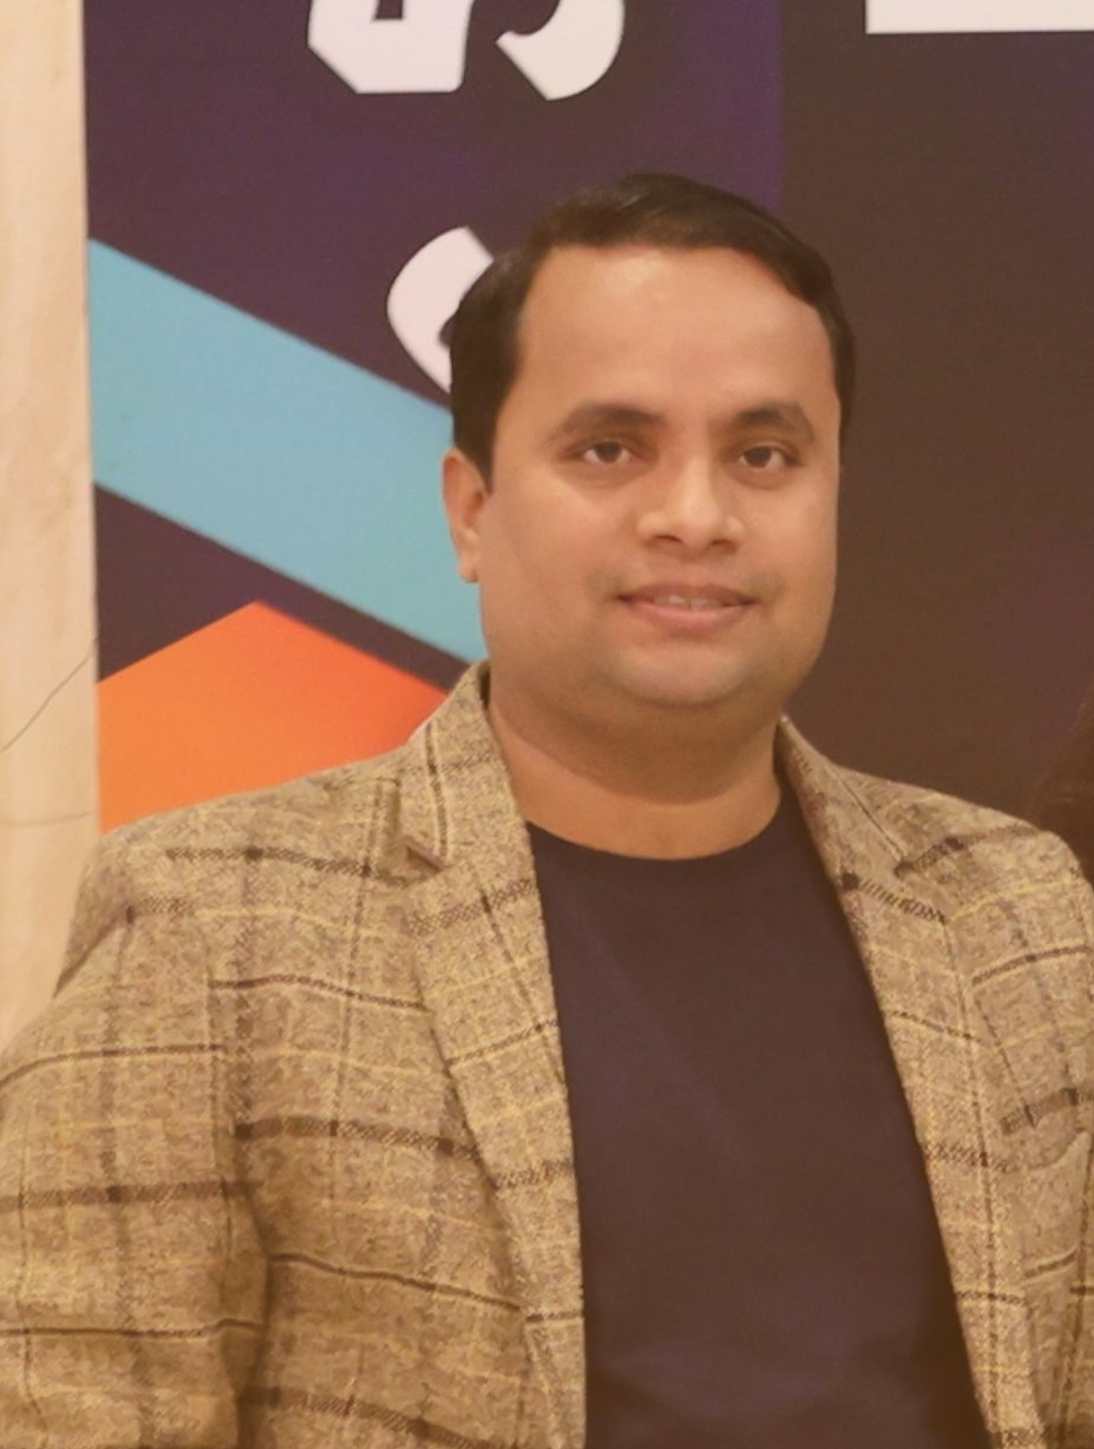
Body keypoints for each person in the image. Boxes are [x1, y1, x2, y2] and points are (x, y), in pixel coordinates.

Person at [1, 173, 1091, 1449]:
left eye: (762, 455)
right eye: (608, 449)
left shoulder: (1017, 916)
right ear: (471, 509)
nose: (694, 516)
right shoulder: (214, 930)